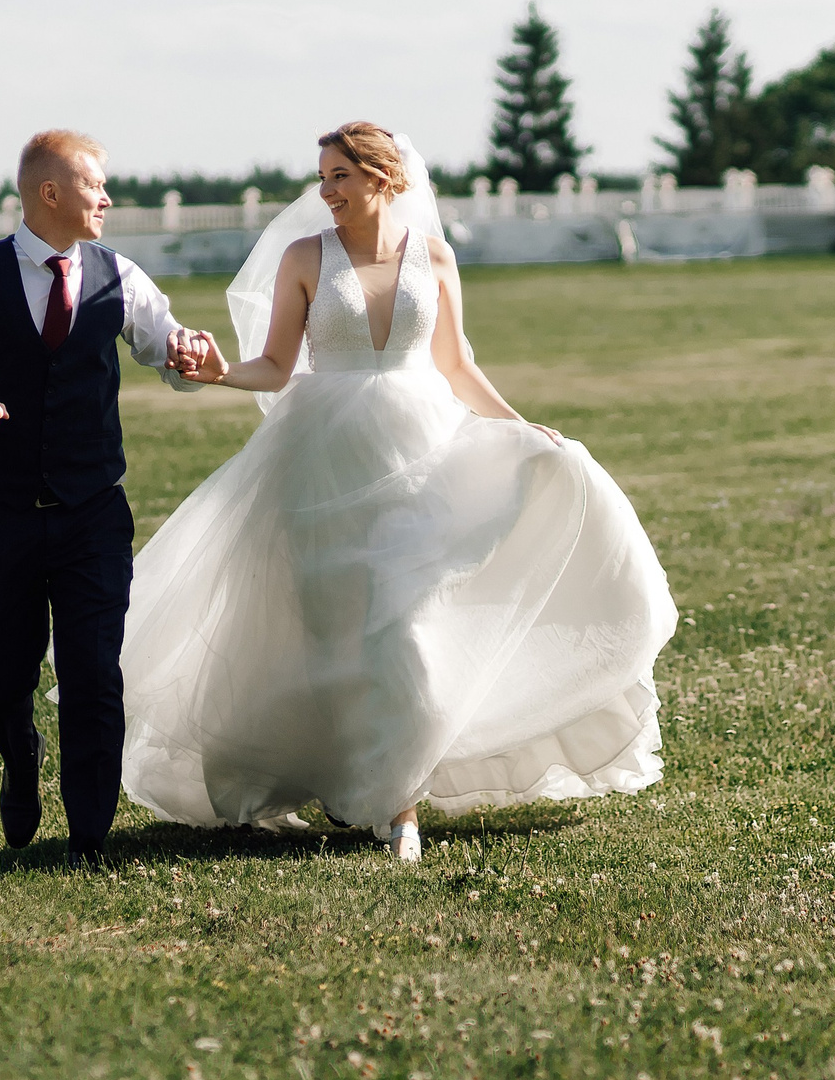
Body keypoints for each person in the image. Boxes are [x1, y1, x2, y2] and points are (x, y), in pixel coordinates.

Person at [124, 122, 677, 864]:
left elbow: (454, 364)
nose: (326, 192)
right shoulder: (305, 257)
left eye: (340, 176)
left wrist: (522, 429)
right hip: (322, 459)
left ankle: (398, 806)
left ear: (384, 177)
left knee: (405, 627)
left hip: (423, 453)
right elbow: (277, 364)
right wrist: (218, 373)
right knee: (333, 634)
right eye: (322, 178)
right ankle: (345, 777)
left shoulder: (437, 259)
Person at [0, 130, 213, 869]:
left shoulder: (121, 275)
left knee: (93, 673)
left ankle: (89, 839)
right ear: (49, 192)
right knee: (0, 670)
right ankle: (19, 752)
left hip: (94, 514)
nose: (108, 199)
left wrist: (190, 357)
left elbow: (170, 355)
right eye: (96, 185)